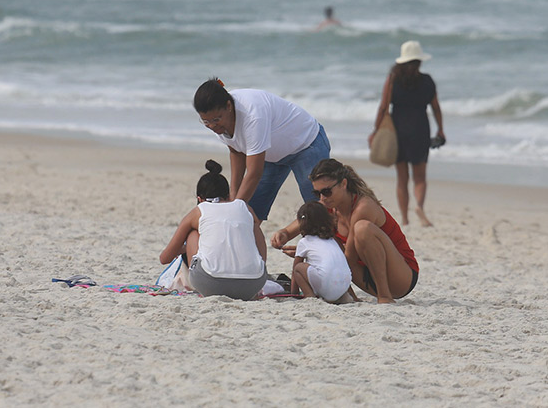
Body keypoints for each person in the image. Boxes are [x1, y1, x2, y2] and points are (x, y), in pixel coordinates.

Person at [272, 158, 419, 304]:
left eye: (327, 191)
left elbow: (347, 258)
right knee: (324, 232)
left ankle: (385, 297)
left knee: (362, 228)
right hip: (366, 275)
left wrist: (315, 251)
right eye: (317, 193)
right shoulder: (328, 206)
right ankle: (357, 296)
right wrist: (284, 233)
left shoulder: (363, 206)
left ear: (343, 184)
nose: (322, 198)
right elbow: (303, 220)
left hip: (401, 277)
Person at [193, 78, 331, 221]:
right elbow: (236, 151)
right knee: (251, 211)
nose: (212, 126)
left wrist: (233, 209)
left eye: (216, 120)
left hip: (306, 144)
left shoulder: (252, 115)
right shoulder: (219, 122)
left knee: (319, 208)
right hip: (269, 153)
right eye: (206, 121)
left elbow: (254, 173)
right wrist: (234, 197)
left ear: (228, 106)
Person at [159, 159, 267, 300]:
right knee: (253, 227)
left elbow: (165, 258)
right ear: (228, 196)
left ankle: (195, 283)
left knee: (192, 234)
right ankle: (257, 266)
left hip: (210, 284)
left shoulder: (199, 210)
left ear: (199, 198)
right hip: (253, 284)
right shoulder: (243, 207)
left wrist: (186, 248)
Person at [369, 40, 445, 227]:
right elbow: (436, 107)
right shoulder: (427, 81)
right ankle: (419, 206)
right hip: (420, 129)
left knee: (402, 178)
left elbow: (383, 107)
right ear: (419, 61)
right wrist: (440, 129)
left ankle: (404, 218)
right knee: (420, 177)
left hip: (398, 130)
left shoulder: (393, 79)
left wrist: (375, 130)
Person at [290, 201, 352, 302]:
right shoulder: (333, 240)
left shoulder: (304, 242)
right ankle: (342, 297)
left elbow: (295, 271)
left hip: (326, 286)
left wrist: (294, 292)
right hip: (344, 284)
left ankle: (310, 296)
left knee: (299, 268)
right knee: (334, 268)